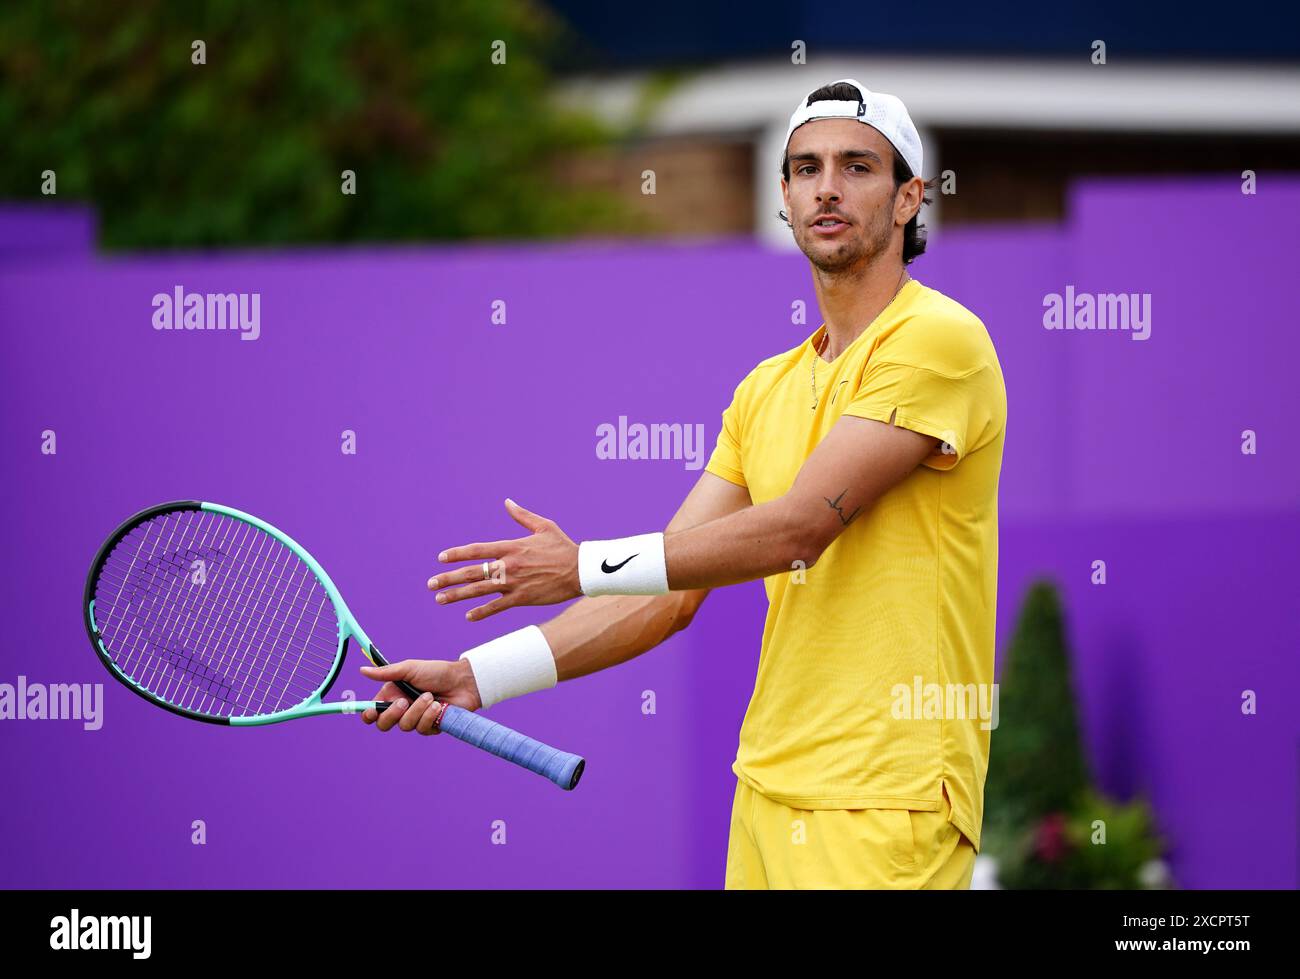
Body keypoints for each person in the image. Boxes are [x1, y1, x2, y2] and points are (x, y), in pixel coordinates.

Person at [361, 78, 1007, 890]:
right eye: (805, 168)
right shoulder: (764, 389)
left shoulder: (939, 338)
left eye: (857, 166)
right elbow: (667, 592)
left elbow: (798, 527)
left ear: (910, 196)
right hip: (768, 790)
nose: (828, 187)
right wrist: (475, 676)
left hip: (887, 800)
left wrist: (581, 562)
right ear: (783, 197)